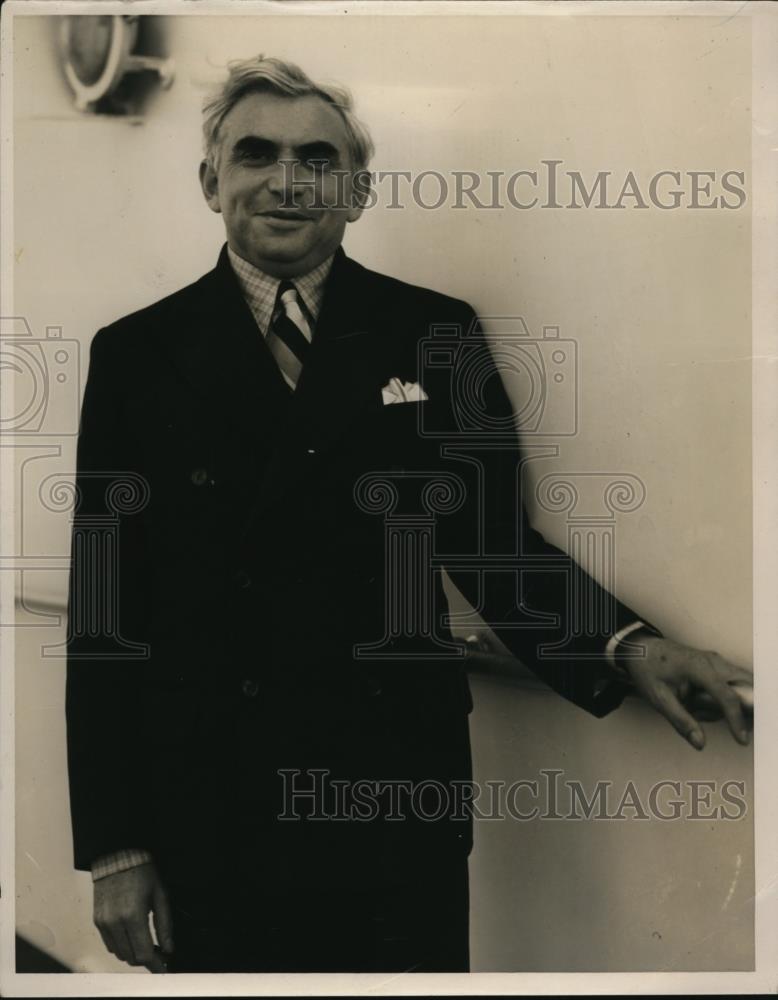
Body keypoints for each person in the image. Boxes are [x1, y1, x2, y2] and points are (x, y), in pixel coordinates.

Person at [65, 55, 753, 974]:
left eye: (318, 158)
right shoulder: (137, 354)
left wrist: (630, 644)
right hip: (213, 805)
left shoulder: (438, 331)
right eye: (256, 153)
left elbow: (492, 543)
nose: (287, 179)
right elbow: (106, 608)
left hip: (394, 798)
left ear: (355, 190)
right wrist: (116, 846)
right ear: (211, 181)